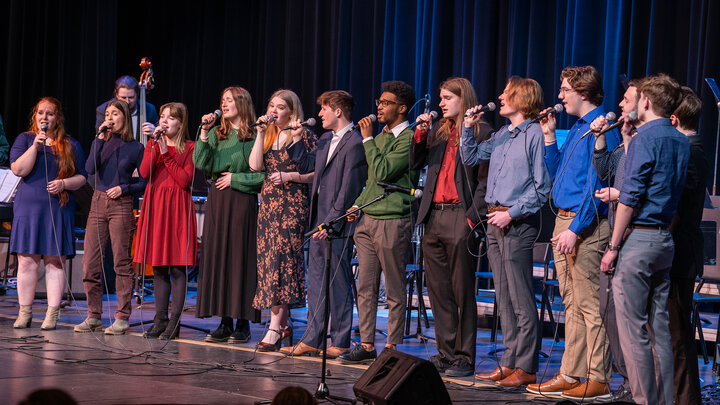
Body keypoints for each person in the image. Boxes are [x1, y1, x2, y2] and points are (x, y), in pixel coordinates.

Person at [528, 66, 620, 400]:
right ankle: (572, 372)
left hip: (586, 223)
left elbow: (597, 184)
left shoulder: (601, 127)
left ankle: (600, 377)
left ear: (582, 92)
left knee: (588, 302)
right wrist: (550, 137)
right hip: (564, 219)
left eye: (565, 89)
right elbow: (558, 174)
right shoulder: (578, 127)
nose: (560, 95)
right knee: (571, 302)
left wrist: (577, 229)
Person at [600, 74, 690, 405]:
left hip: (638, 241)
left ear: (647, 102)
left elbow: (630, 199)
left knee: (633, 332)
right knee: (659, 330)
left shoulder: (645, 138)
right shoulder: (680, 139)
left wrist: (612, 247)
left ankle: (643, 401)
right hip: (664, 240)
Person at [463, 77, 550, 385]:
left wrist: (511, 213)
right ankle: (510, 361)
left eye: (506, 93)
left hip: (517, 224)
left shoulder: (534, 135)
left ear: (522, 99)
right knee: (504, 297)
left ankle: (526, 367)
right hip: (493, 221)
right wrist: (467, 128)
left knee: (521, 298)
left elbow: (542, 188)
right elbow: (471, 157)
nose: (499, 96)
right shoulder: (502, 134)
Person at [409, 77, 492, 377]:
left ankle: (464, 356)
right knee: (439, 290)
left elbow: (484, 181)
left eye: (447, 98)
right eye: (441, 98)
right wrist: (419, 134)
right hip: (433, 216)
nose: (441, 103)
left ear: (463, 98)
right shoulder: (439, 132)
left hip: (461, 215)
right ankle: (444, 353)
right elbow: (415, 164)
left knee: (462, 291)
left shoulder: (482, 131)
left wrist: (473, 217)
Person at [280, 90, 367, 358]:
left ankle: (340, 340)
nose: (319, 114)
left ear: (338, 111)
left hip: (336, 223)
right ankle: (313, 338)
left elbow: (349, 189)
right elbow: (308, 165)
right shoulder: (326, 138)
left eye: (324, 109)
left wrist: (331, 222)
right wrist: (296, 139)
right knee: (316, 281)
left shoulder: (354, 142)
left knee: (338, 282)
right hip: (318, 220)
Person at [338, 81, 419, 364]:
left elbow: (384, 171)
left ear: (402, 108)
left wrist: (368, 140)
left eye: (386, 103)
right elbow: (373, 181)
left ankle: (392, 347)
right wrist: (358, 204)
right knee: (366, 287)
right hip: (367, 218)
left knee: (394, 289)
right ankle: (367, 343)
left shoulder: (408, 137)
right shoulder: (380, 136)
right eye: (379, 102)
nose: (379, 107)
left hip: (393, 220)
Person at [194, 87, 264, 343]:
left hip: (242, 201)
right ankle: (224, 321)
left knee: (240, 260)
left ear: (242, 103)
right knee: (219, 258)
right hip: (218, 201)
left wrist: (236, 178)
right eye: (222, 100)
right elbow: (201, 163)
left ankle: (243, 322)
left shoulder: (254, 134)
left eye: (229, 100)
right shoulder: (216, 133)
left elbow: (262, 176)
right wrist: (203, 132)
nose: (224, 104)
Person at [10, 97, 87, 330]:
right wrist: (35, 145)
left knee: (55, 262)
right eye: (41, 113)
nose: (45, 117)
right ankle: (25, 312)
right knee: (26, 262)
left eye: (50, 114)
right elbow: (18, 169)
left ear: (58, 117)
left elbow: (82, 177)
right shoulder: (25, 139)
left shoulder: (70, 144)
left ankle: (52, 314)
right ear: (35, 116)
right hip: (28, 208)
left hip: (57, 207)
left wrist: (64, 184)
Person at [588, 79, 642, 402]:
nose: (620, 104)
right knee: (608, 308)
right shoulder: (625, 144)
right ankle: (626, 379)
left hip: (634, 237)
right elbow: (605, 169)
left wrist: (619, 195)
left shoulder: (644, 145)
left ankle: (638, 386)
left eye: (626, 99)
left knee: (630, 314)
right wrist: (600, 139)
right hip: (614, 233)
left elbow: (641, 192)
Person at [250, 89, 315, 351]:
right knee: (269, 264)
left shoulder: (304, 135)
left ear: (291, 111)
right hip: (268, 208)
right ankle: (283, 325)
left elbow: (314, 172)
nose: (274, 111)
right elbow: (255, 166)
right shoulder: (269, 136)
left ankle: (274, 328)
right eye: (271, 106)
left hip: (292, 206)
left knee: (283, 263)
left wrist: (290, 177)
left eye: (280, 107)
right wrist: (259, 133)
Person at [75, 100, 146, 335]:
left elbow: (145, 182)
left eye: (115, 113)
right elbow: (89, 169)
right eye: (107, 113)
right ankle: (93, 315)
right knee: (89, 263)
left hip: (121, 205)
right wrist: (98, 140)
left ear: (124, 117)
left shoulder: (135, 147)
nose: (110, 117)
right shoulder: (101, 142)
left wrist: (124, 188)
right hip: (97, 202)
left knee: (121, 262)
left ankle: (122, 317)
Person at [134, 102, 197, 340]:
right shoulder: (153, 144)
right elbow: (144, 172)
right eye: (162, 116)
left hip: (177, 208)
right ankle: (160, 319)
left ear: (180, 123)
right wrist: (154, 145)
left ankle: (175, 322)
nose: (164, 121)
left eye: (170, 118)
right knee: (159, 267)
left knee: (177, 269)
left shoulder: (190, 147)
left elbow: (184, 181)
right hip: (156, 205)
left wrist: (165, 153)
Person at [667, 86, 707, 404]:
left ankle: (685, 399)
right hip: (677, 253)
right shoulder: (691, 149)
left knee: (677, 335)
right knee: (673, 333)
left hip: (678, 255)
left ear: (673, 119)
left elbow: (677, 211)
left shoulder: (690, 152)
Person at [95, 75, 158, 142]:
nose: (127, 102)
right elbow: (100, 139)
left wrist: (155, 132)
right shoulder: (103, 110)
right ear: (116, 94)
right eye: (123, 98)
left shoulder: (149, 109)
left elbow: (161, 135)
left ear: (137, 94)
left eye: (131, 97)